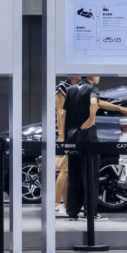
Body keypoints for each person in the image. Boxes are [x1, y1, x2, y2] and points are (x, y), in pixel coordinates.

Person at [63, 77, 127, 220]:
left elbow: (67, 112)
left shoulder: (71, 89)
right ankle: (91, 212)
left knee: (74, 176)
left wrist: (120, 108)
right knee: (90, 176)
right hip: (88, 138)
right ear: (90, 76)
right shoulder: (92, 88)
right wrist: (90, 119)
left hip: (72, 138)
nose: (99, 77)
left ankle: (72, 212)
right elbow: (94, 103)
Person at [54, 76, 81, 217]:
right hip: (63, 134)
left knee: (67, 171)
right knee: (64, 170)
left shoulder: (75, 88)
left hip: (69, 133)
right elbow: (60, 112)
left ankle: (65, 204)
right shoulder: (62, 87)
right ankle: (56, 204)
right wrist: (61, 136)